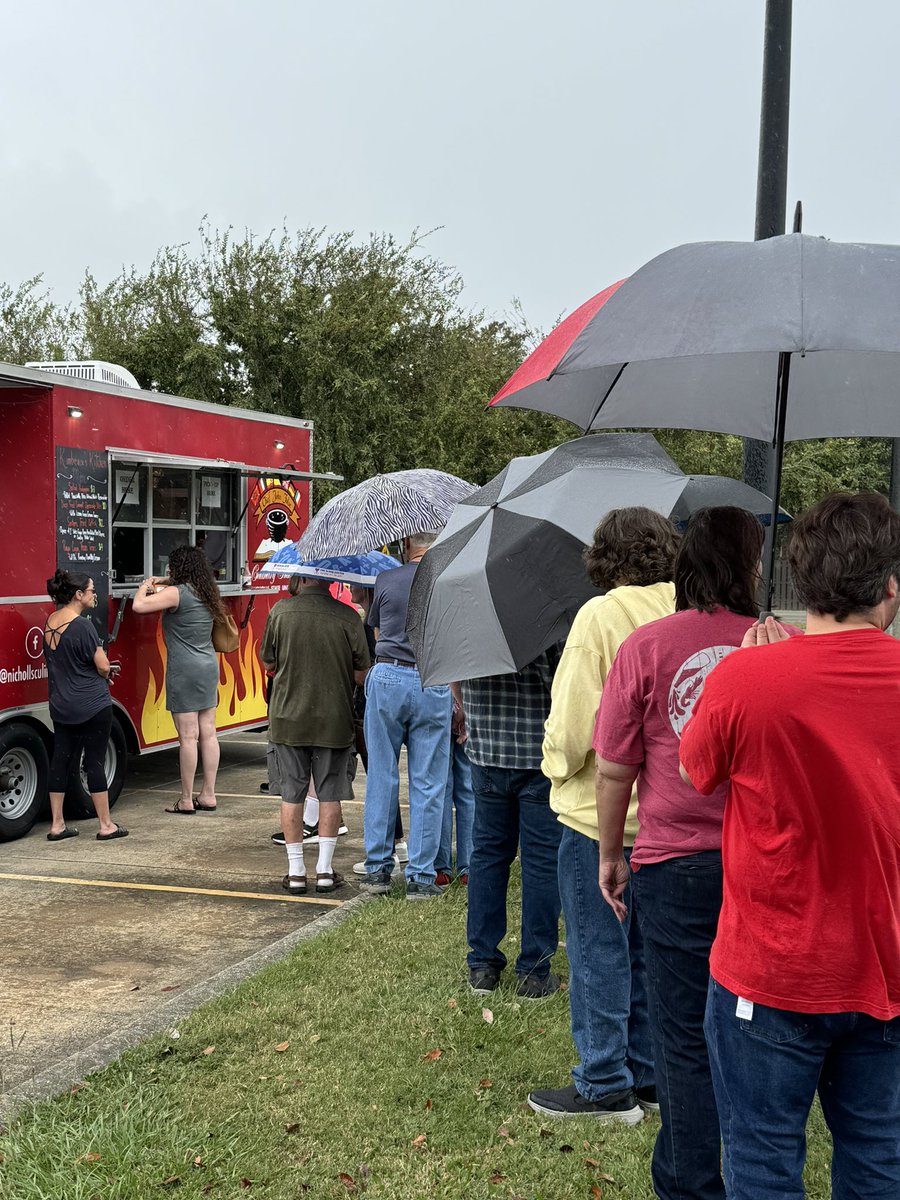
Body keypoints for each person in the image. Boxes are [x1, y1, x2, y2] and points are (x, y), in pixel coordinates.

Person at [679, 492, 900, 1200]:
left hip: (767, 973)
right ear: (888, 587)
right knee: (878, 1159)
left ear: (803, 583)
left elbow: (695, 769)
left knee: (763, 1160)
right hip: (884, 967)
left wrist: (742, 669)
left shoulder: (747, 679)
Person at [594, 507, 771, 1200]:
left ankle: (690, 1180)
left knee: (682, 1038)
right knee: (756, 1033)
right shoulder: (771, 645)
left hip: (672, 864)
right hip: (758, 866)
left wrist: (613, 854)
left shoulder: (647, 646)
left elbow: (614, 767)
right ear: (750, 567)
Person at [528, 507, 679, 1123]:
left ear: (604, 558)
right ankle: (646, 1073)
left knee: (597, 950)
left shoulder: (600, 615)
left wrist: (555, 769)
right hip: (668, 814)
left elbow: (573, 724)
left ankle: (602, 1082)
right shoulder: (685, 609)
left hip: (598, 815)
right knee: (646, 953)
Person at [460, 646, 563, 999]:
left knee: (487, 855)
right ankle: (534, 972)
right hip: (537, 754)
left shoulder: (468, 620)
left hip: (486, 751)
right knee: (541, 863)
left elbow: (456, 679)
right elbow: (561, 685)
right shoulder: (544, 619)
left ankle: (482, 965)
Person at [260, 574, 369, 893]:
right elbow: (361, 673)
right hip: (333, 720)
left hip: (287, 718)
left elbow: (269, 661)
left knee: (292, 793)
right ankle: (324, 870)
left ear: (304, 578)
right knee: (329, 793)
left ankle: (295, 871)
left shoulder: (280, 612)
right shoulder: (349, 617)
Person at [358, 532, 452, 901]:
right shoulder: (445, 580)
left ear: (407, 545)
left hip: (387, 674)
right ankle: (421, 876)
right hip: (433, 677)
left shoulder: (385, 579)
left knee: (382, 774)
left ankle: (378, 869)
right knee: (428, 782)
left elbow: (377, 628)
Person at [132, 545, 223, 814]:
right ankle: (208, 794)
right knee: (208, 732)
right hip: (208, 666)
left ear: (177, 568)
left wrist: (146, 583)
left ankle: (185, 799)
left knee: (187, 736)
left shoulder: (176, 594)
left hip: (184, 669)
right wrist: (164, 581)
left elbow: (139, 606)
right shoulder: (207, 591)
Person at [43, 569, 127, 841]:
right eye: (91, 591)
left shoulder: (51, 622)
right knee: (94, 762)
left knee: (61, 760)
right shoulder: (83, 625)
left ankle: (57, 825)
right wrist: (107, 671)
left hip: (61, 703)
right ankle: (106, 825)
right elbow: (102, 666)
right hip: (92, 704)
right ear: (78, 595)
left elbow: (68, 662)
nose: (95, 595)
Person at [434, 697, 475, 886]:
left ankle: (442, 867)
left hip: (439, 702)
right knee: (467, 789)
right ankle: (467, 866)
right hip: (471, 703)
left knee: (441, 788)